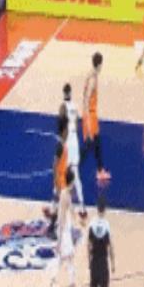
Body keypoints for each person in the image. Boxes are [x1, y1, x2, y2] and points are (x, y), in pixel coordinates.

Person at [87, 196, 115, 287]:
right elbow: (111, 247)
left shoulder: (92, 223)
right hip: (103, 264)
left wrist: (89, 262)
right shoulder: (107, 225)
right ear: (105, 209)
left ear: (97, 208)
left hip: (94, 264)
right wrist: (113, 263)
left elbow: (88, 245)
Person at [82, 52, 111, 181]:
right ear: (99, 65)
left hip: (90, 115)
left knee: (96, 144)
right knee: (89, 145)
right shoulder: (93, 80)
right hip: (90, 116)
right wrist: (87, 121)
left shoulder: (90, 75)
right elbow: (87, 99)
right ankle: (72, 171)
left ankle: (100, 171)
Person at [60, 83, 87, 219]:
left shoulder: (62, 107)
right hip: (74, 139)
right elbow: (76, 124)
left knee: (63, 173)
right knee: (76, 174)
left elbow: (61, 128)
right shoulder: (75, 107)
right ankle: (82, 207)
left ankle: (58, 206)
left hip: (67, 141)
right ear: (70, 93)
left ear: (64, 93)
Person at [50, 167, 79, 287]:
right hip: (63, 231)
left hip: (66, 229)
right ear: (71, 181)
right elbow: (61, 217)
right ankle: (53, 282)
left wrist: (78, 216)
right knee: (62, 258)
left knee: (68, 257)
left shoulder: (67, 194)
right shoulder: (64, 195)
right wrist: (59, 239)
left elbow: (71, 211)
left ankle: (72, 282)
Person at [43, 115, 69, 241]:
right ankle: (51, 229)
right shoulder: (60, 146)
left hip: (62, 176)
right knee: (59, 202)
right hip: (60, 178)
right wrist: (56, 180)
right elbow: (54, 164)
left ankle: (50, 211)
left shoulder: (63, 144)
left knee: (57, 200)